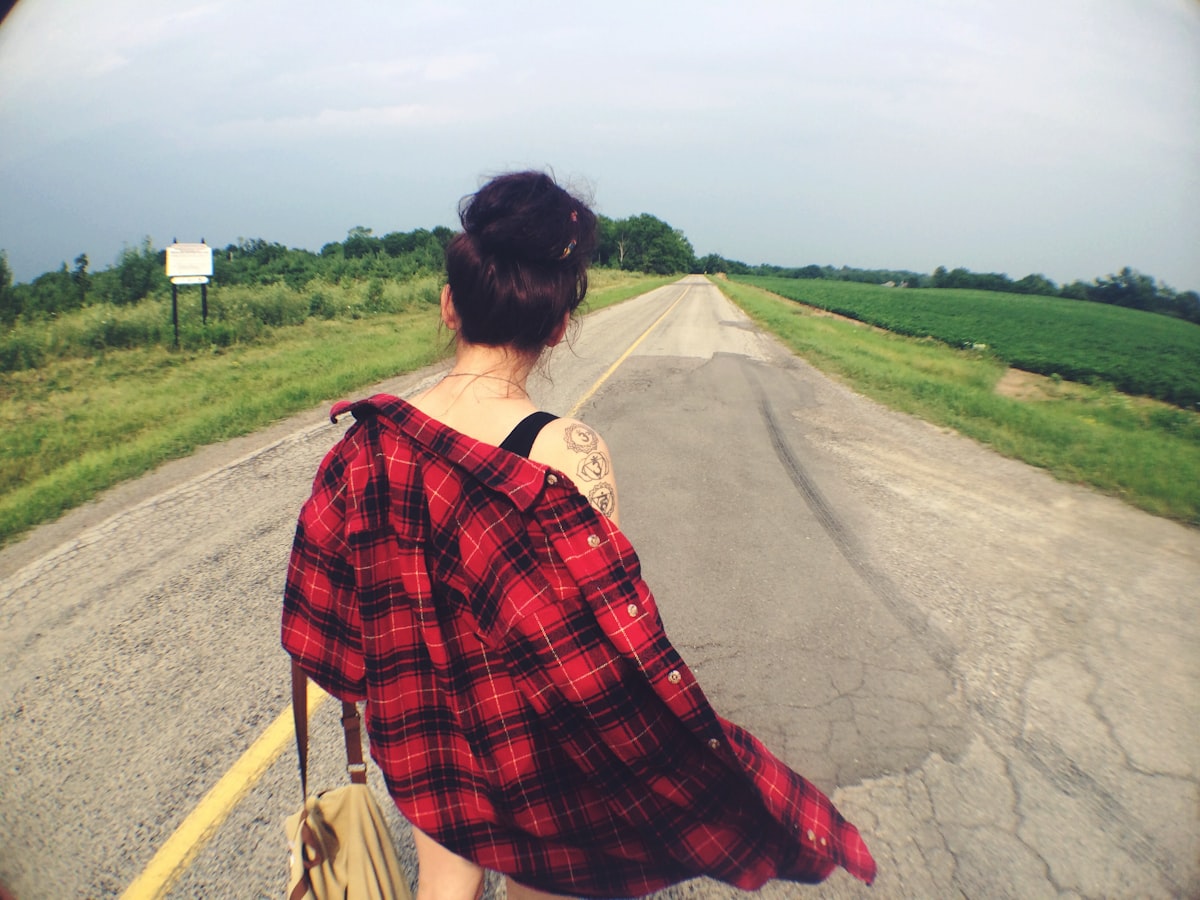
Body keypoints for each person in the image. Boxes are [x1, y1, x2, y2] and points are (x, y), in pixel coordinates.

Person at [282, 171, 876, 900]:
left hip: (429, 742)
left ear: (448, 307)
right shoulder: (567, 452)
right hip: (541, 763)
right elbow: (600, 643)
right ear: (560, 326)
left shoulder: (366, 445)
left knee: (443, 887)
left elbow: (329, 633)